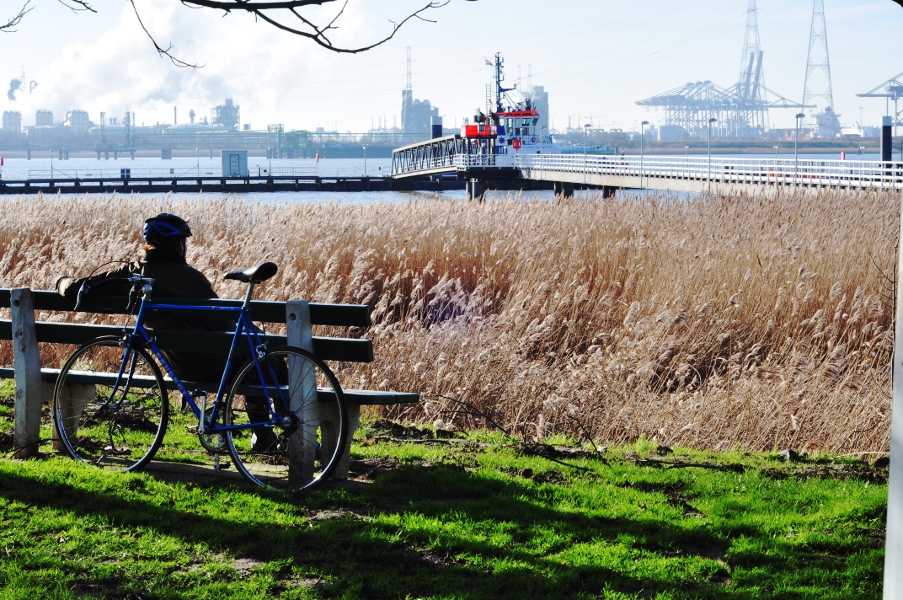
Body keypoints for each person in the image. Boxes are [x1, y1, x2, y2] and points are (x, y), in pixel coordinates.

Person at [56, 213, 278, 452]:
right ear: (179, 245)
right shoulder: (192, 279)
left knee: (255, 357)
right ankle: (264, 435)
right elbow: (222, 325)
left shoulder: (131, 273)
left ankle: (261, 434)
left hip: (181, 368)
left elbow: (79, 288)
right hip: (215, 368)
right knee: (264, 359)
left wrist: (61, 281)